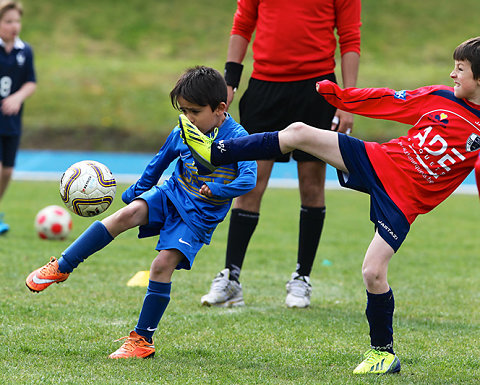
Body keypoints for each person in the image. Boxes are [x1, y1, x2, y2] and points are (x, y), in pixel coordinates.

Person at [181, 37, 480, 374]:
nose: (452, 75)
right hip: (379, 161)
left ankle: (383, 354)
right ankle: (216, 152)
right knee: (298, 131)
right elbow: (388, 100)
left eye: (460, 69)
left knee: (373, 271)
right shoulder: (439, 98)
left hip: (404, 200)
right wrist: (340, 98)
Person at [25, 66, 257, 359]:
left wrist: (219, 191)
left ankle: (142, 341)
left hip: (199, 215)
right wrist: (134, 192)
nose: (188, 118)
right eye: (183, 111)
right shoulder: (183, 131)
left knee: (161, 265)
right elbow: (158, 165)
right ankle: (62, 266)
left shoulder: (238, 138)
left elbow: (249, 179)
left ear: (220, 108)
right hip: (172, 192)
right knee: (125, 215)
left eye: (194, 112)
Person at [201, 0, 362, 308]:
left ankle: (301, 279)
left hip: (316, 90)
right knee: (250, 184)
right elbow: (243, 24)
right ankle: (231, 278)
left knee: (312, 187)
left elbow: (350, 37)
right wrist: (230, 80)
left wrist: (347, 100)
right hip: (265, 89)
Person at [0, 0, 36, 234]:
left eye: (17, 21)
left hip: (11, 121)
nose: (14, 26)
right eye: (8, 21)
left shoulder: (25, 50)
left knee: (7, 171)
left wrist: (18, 97)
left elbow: (30, 82)